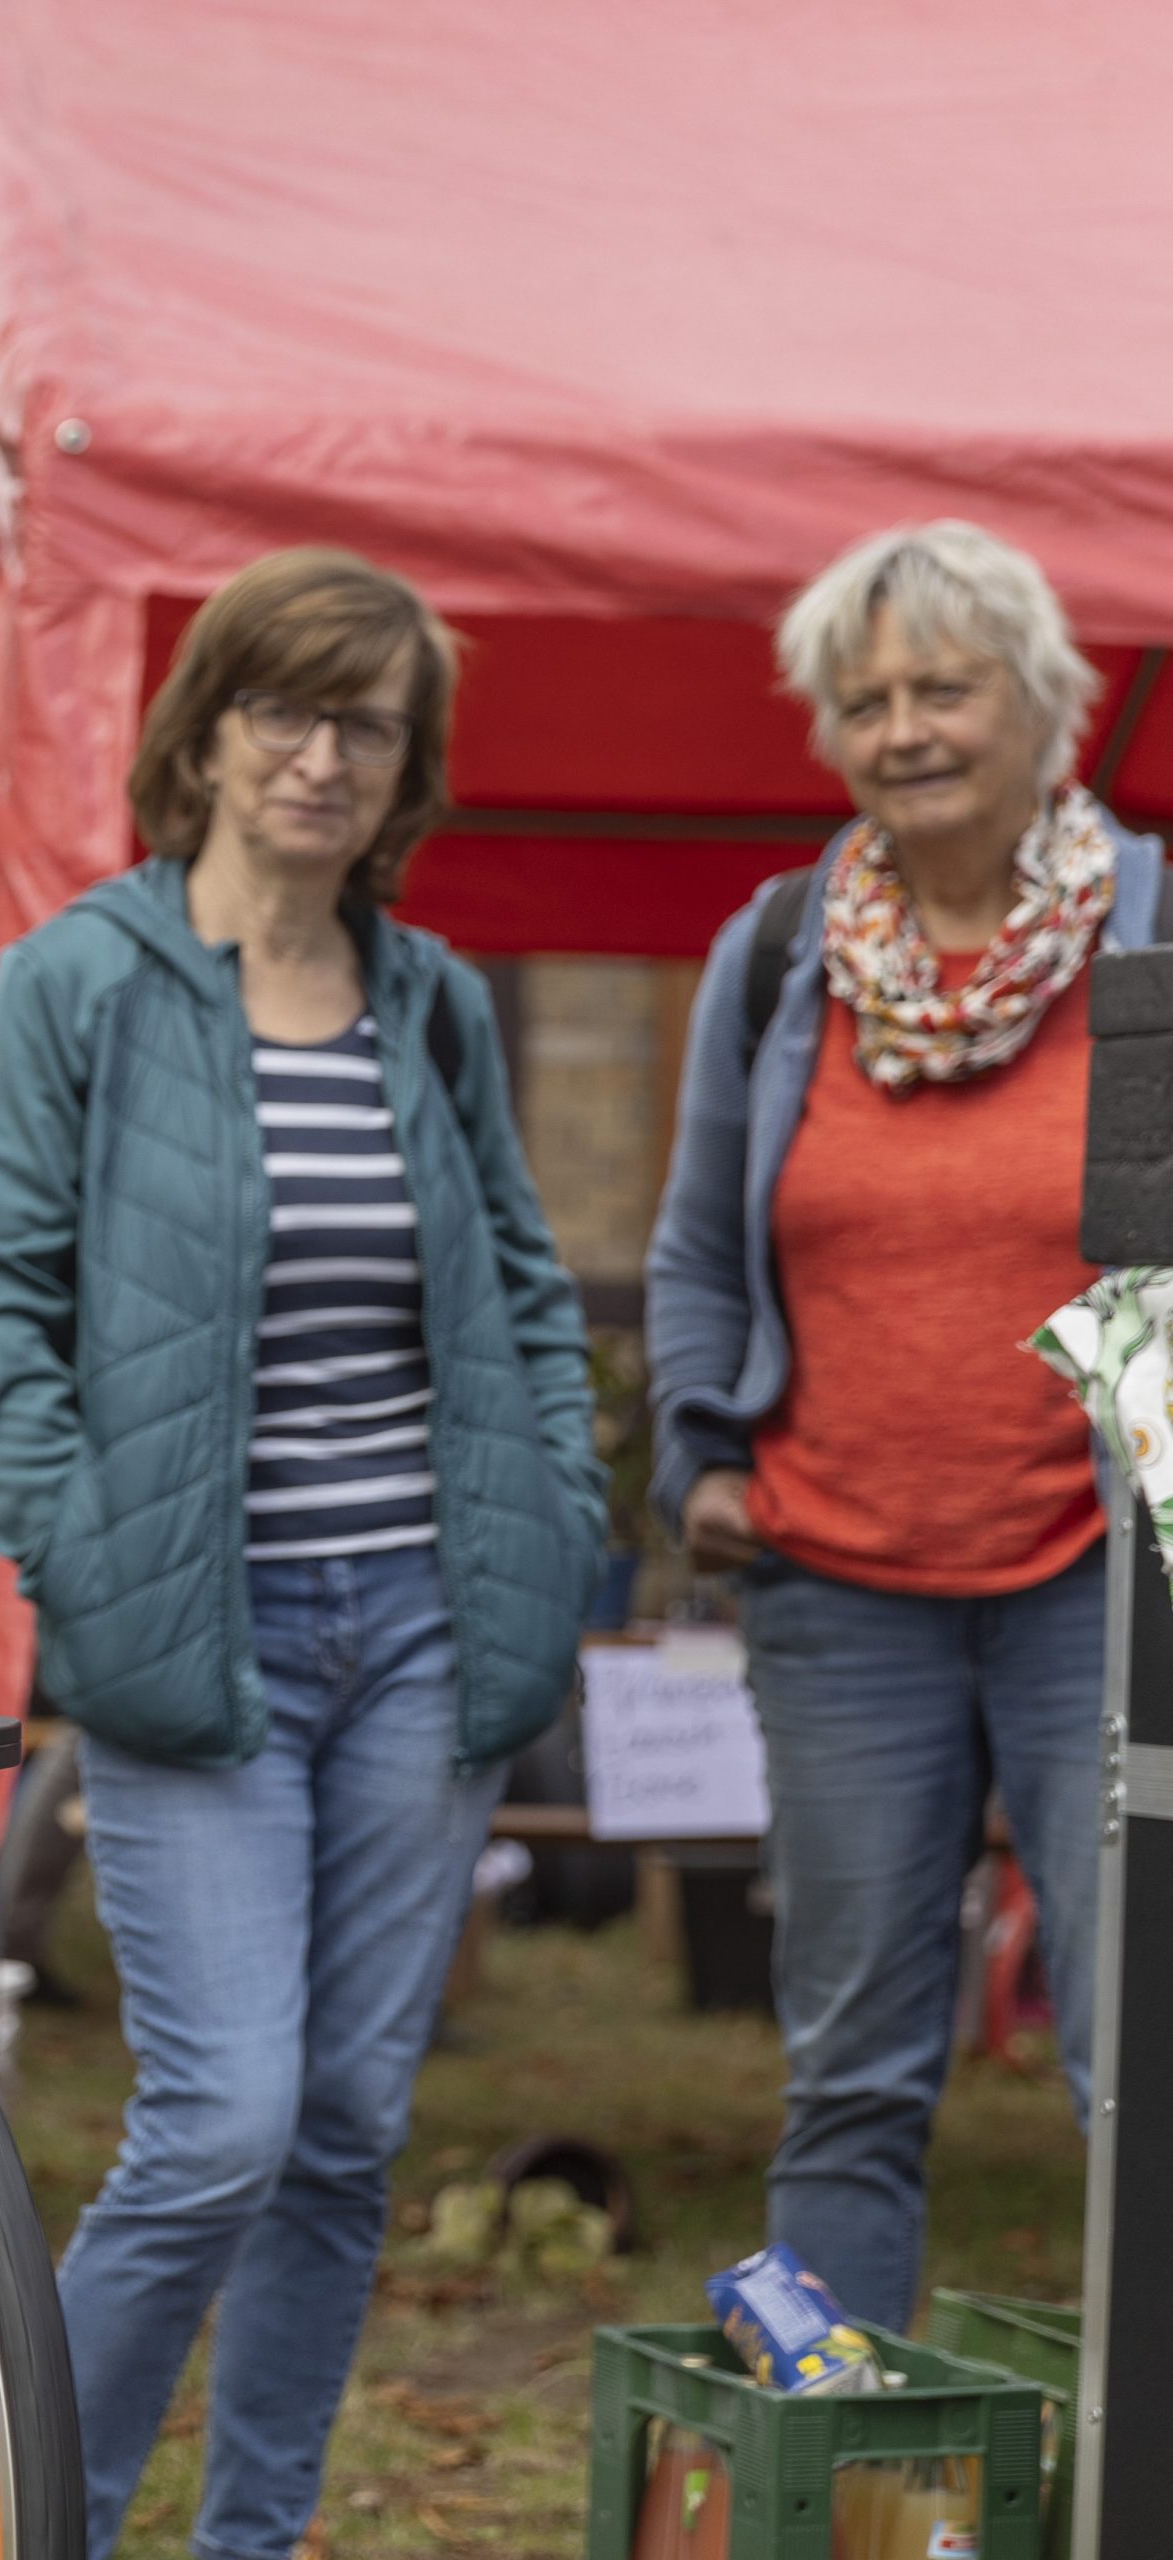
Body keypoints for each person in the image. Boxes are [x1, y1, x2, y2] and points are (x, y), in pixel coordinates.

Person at [0, 546, 604, 2560]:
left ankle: (255, 2536)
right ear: (208, 729)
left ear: (408, 766)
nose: (321, 756)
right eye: (284, 709)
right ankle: (26, 2521)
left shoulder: (432, 1001)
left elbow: (520, 1284)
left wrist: (556, 1516)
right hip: (191, 1633)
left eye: (365, 724)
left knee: (340, 2134)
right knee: (219, 2122)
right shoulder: (79, 981)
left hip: (424, 1624)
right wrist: (78, 1549)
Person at [646, 520, 1155, 2328]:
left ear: (1045, 702)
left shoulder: (1154, 929)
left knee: (1136, 2053)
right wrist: (699, 1454)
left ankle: (1142, 2451)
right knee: (852, 2064)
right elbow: (698, 1242)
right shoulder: (780, 954)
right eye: (863, 702)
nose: (905, 730)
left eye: (945, 688)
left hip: (1104, 1579)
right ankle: (840, 2443)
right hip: (840, 1582)